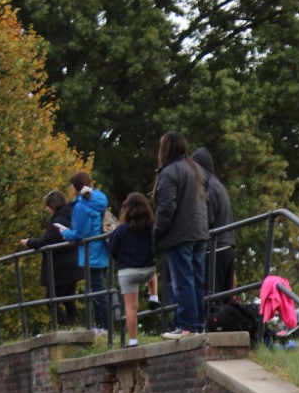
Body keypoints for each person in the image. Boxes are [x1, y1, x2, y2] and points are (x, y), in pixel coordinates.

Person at [153, 131, 209, 336]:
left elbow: (166, 207)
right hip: (199, 232)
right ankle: (198, 324)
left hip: (180, 234)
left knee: (182, 281)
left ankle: (186, 326)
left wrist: (157, 231)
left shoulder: (169, 172)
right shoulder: (197, 170)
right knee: (197, 280)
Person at [55, 171, 111, 331]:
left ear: (75, 187)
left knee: (97, 291)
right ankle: (103, 326)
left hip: (91, 253)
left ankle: (105, 328)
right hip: (102, 249)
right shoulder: (98, 199)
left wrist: (65, 233)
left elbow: (80, 234)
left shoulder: (82, 206)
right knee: (99, 289)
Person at [20, 189, 79, 327]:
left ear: (53, 205)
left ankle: (63, 326)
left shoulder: (57, 222)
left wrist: (29, 242)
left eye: (47, 206)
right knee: (69, 299)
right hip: (73, 264)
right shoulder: (71, 217)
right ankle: (74, 326)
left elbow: (45, 241)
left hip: (60, 268)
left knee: (51, 300)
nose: (47, 209)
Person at [108, 192, 156, 346]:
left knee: (130, 307)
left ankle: (133, 340)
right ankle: (154, 296)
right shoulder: (152, 228)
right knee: (153, 270)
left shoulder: (121, 230)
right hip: (147, 269)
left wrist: (121, 260)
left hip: (127, 272)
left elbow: (112, 250)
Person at [191, 147, 236, 301]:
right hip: (228, 247)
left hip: (215, 249)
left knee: (212, 299)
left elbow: (206, 219)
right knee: (225, 298)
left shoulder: (208, 187)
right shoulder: (219, 186)